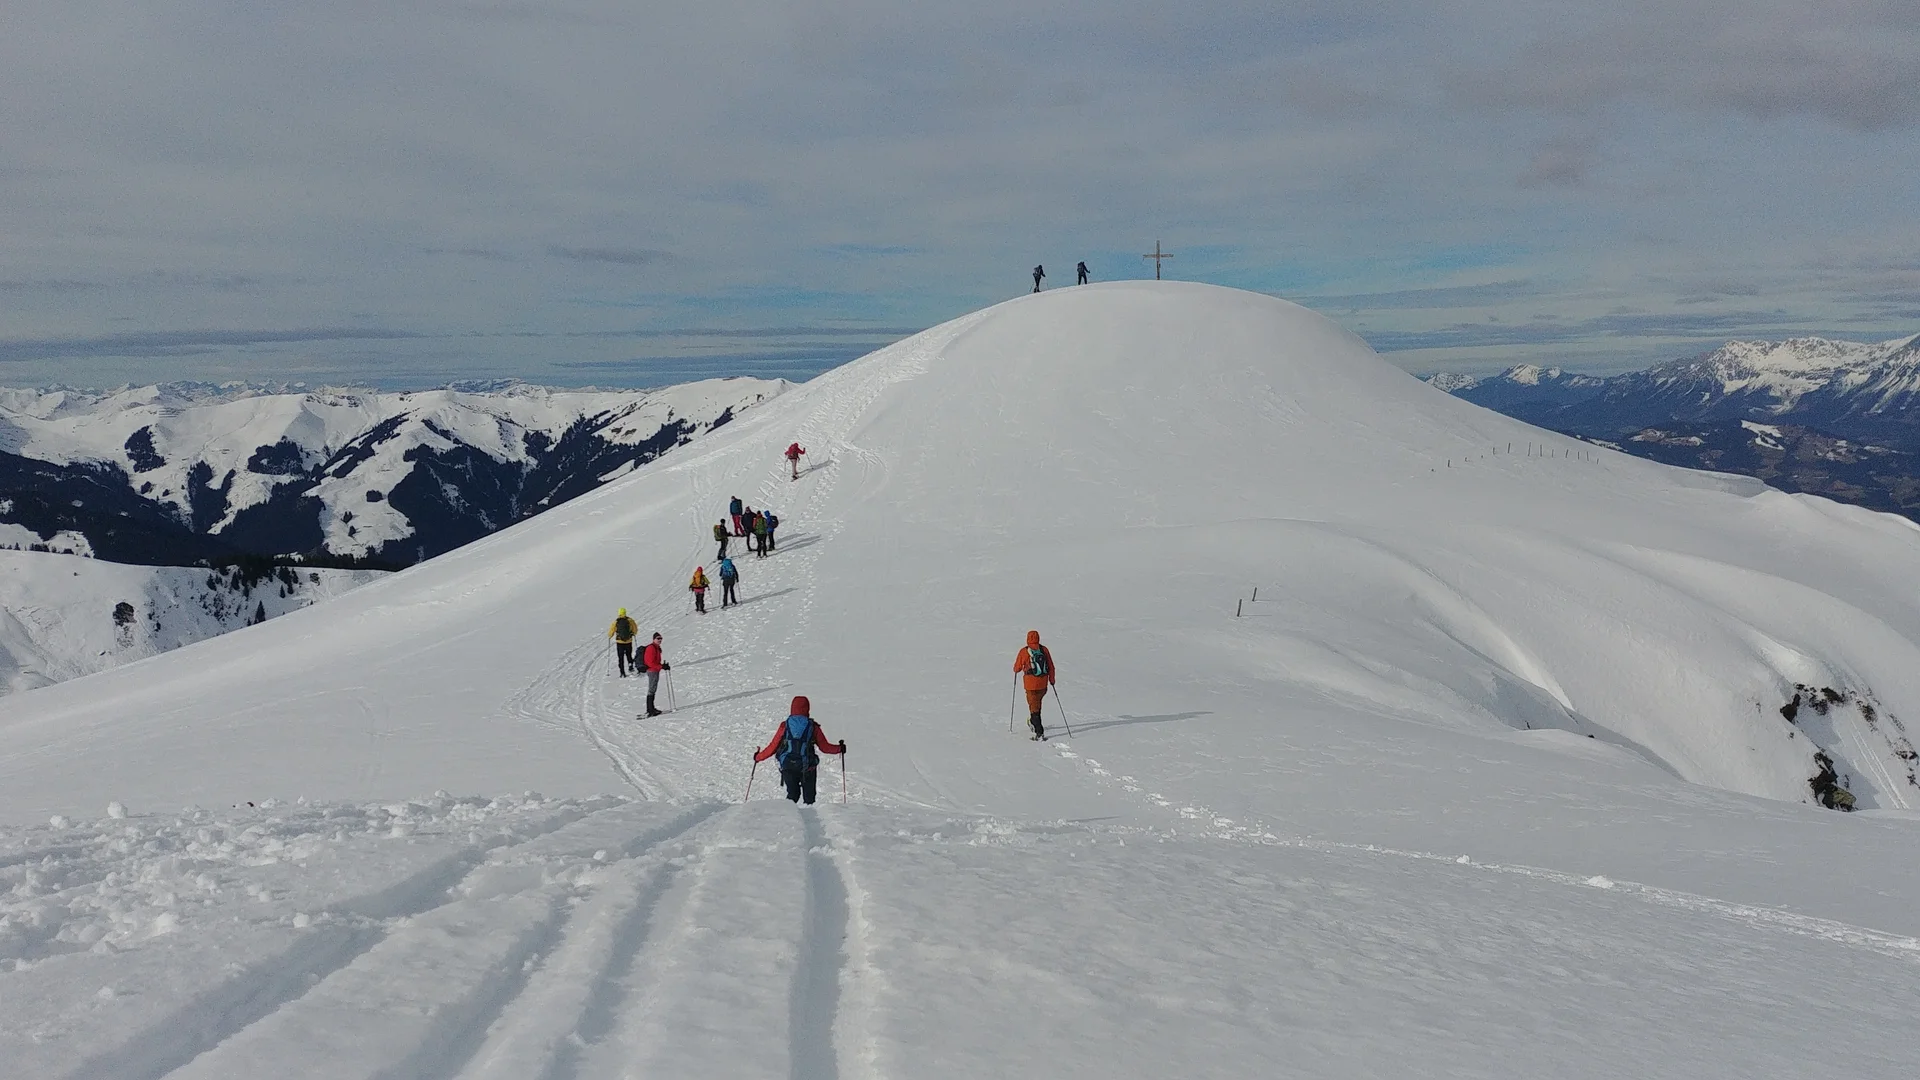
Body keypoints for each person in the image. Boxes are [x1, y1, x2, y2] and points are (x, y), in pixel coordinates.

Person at [752, 696, 845, 805]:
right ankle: (810, 819)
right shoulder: (813, 727)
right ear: (807, 708)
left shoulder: (785, 726)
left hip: (788, 766)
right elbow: (825, 747)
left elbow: (773, 747)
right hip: (808, 768)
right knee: (809, 799)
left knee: (792, 796)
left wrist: (758, 757)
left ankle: (786, 818)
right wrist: (840, 748)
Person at [1013, 629, 1057, 740]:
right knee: (1037, 704)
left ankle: (1039, 732)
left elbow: (1016, 668)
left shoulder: (1024, 651)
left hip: (1030, 685)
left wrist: (1018, 668)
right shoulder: (1044, 650)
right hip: (1043, 684)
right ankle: (1033, 722)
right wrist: (1052, 680)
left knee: (1034, 708)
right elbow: (1051, 666)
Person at [641, 632, 671, 717]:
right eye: (658, 638)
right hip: (652, 671)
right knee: (651, 689)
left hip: (654, 670)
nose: (660, 640)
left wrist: (661, 666)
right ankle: (650, 710)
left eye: (661, 638)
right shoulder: (651, 648)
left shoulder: (656, 647)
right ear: (653, 639)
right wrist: (661, 666)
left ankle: (651, 709)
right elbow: (650, 663)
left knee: (653, 689)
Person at [607, 608, 638, 677]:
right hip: (628, 641)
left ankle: (622, 672)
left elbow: (612, 630)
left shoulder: (616, 621)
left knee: (620, 657)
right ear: (625, 612)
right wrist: (633, 633)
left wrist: (610, 635)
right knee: (629, 655)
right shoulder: (630, 620)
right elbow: (635, 629)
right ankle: (630, 667)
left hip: (619, 642)